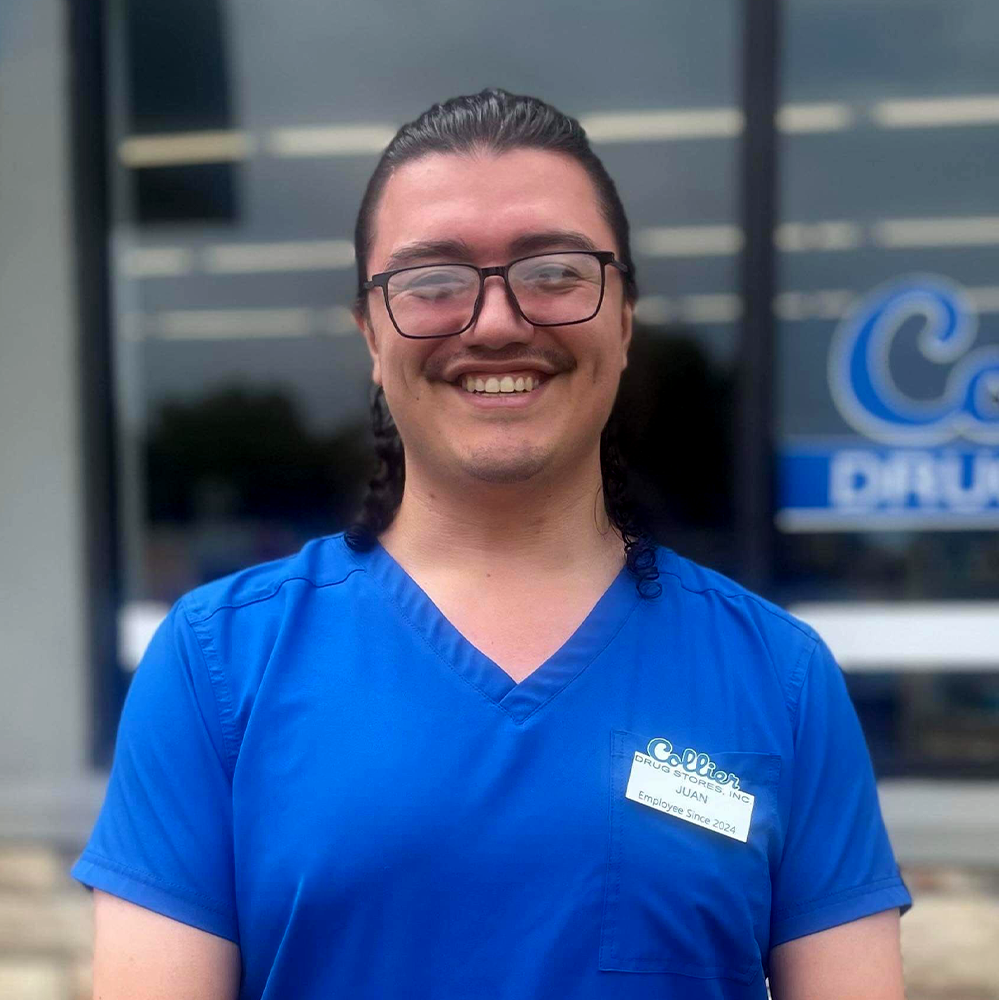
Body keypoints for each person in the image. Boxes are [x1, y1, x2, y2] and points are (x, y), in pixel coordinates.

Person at [73, 88, 911, 999]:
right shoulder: (215, 663)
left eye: (553, 270)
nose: (498, 320)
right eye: (431, 282)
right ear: (370, 333)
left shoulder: (779, 677)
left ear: (623, 316)